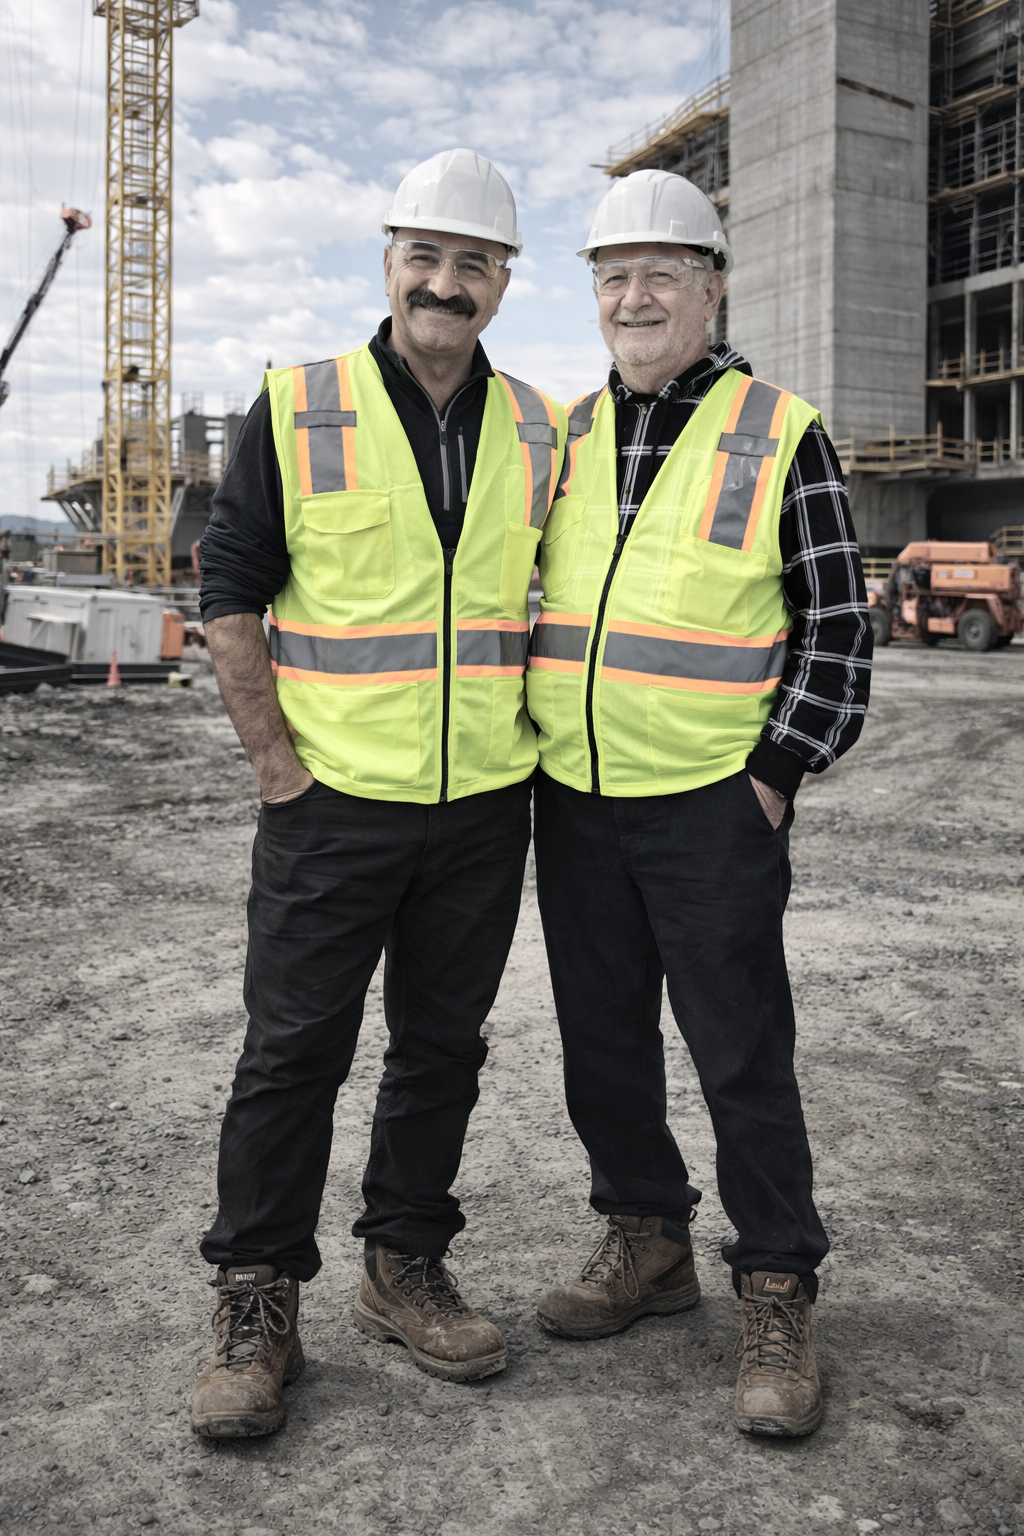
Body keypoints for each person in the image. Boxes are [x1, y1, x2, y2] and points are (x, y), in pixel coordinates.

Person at [192, 148, 566, 1438]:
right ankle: (254, 1301)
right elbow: (228, 590)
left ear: (504, 283)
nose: (445, 282)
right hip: (333, 804)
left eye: (474, 263)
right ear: (388, 258)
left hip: (479, 811)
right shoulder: (296, 406)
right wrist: (275, 771)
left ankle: (401, 1264)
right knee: (292, 1052)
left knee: (441, 1051)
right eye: (427, 255)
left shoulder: (538, 427)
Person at [528, 169, 872, 1438]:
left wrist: (777, 773)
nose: (633, 296)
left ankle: (777, 1283)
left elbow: (839, 624)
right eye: (612, 275)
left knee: (739, 1056)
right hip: (575, 798)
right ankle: (647, 1241)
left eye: (660, 273)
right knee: (601, 1047)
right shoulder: (563, 438)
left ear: (710, 288)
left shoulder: (781, 428)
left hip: (712, 807)